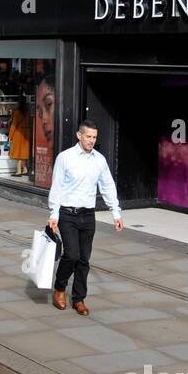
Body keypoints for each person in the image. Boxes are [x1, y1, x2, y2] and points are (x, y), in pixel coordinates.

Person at [47, 120, 123, 315]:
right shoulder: (65, 158)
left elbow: (107, 186)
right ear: (79, 136)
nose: (91, 140)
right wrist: (53, 214)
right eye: (88, 136)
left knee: (84, 260)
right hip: (67, 214)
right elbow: (56, 188)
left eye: (94, 137)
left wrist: (116, 212)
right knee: (71, 254)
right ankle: (60, 288)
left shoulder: (99, 160)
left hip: (88, 216)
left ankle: (79, 298)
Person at [8, 97, 31, 177]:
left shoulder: (17, 112)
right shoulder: (27, 112)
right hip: (26, 133)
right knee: (23, 152)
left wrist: (10, 136)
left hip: (18, 133)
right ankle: (25, 169)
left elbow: (14, 125)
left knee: (18, 153)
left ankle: (18, 171)